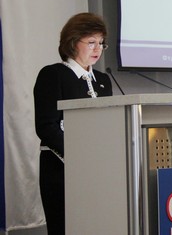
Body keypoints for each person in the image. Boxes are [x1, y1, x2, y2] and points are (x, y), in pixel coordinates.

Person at [33, 13, 113, 235]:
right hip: (61, 170)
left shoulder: (103, 80)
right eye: (91, 42)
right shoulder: (53, 75)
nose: (98, 49)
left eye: (101, 43)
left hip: (99, 170)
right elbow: (46, 126)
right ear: (73, 41)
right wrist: (80, 157)